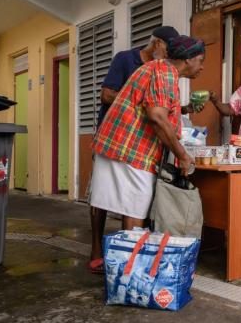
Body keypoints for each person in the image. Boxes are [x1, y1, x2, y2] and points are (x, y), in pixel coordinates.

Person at [87, 35, 205, 273]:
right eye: (200, 60)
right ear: (188, 59)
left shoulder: (158, 69)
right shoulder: (164, 72)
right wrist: (182, 154)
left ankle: (124, 267)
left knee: (131, 209)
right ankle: (129, 274)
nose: (202, 67)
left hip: (120, 146)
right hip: (131, 149)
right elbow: (157, 116)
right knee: (134, 211)